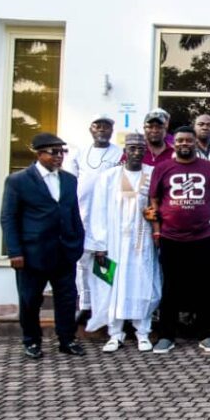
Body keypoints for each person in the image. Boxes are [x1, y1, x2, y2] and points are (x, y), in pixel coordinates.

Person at [0, 133, 87, 358]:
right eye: (54, 152)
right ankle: (31, 341)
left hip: (64, 252)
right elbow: (8, 218)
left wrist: (78, 242)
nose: (59, 156)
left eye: (62, 152)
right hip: (32, 253)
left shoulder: (69, 180)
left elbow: (73, 213)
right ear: (39, 154)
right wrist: (15, 251)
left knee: (67, 299)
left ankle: (67, 340)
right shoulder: (18, 180)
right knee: (30, 300)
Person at [147, 126, 210, 354]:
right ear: (174, 143)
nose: (184, 144)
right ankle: (166, 335)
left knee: (204, 287)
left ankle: (206, 334)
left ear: (195, 142)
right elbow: (154, 200)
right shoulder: (162, 168)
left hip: (204, 237)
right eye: (180, 140)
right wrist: (157, 231)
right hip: (171, 237)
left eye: (188, 140)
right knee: (170, 286)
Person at [85, 133, 161, 353]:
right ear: (124, 150)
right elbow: (98, 211)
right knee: (111, 286)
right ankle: (115, 333)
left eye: (140, 148)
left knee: (143, 284)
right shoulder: (109, 177)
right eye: (132, 148)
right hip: (113, 244)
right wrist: (99, 245)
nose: (136, 152)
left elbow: (160, 205)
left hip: (143, 243)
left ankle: (142, 332)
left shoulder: (152, 173)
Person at [66, 114, 122, 325]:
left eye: (106, 126)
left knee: (105, 262)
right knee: (82, 262)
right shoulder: (79, 153)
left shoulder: (119, 153)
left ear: (112, 130)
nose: (102, 130)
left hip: (107, 217)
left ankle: (104, 306)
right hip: (82, 214)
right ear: (91, 129)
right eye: (97, 126)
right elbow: (70, 182)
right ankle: (86, 304)